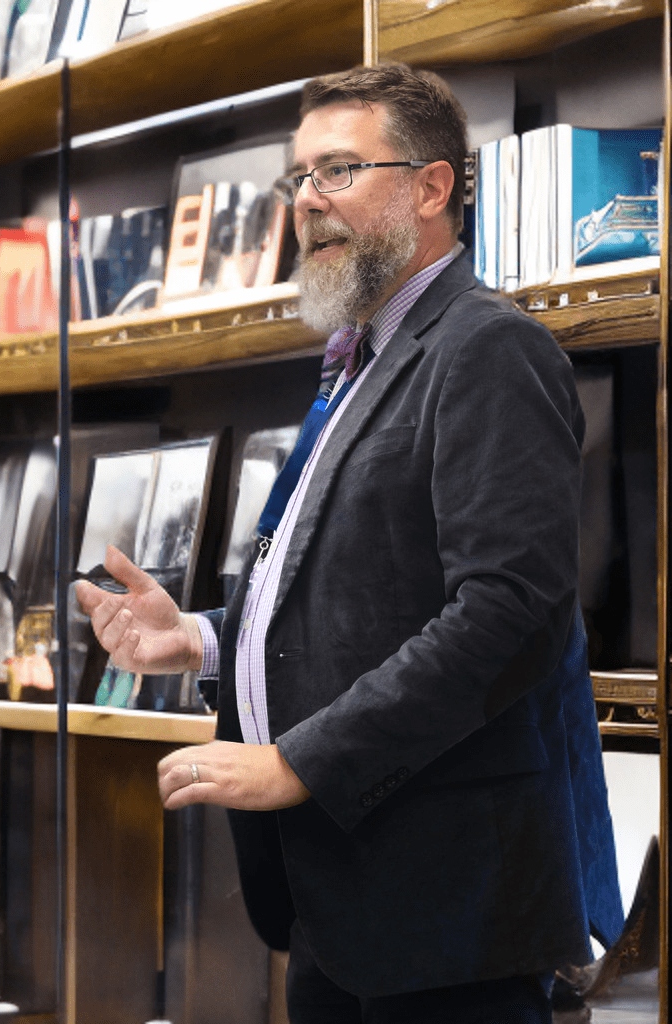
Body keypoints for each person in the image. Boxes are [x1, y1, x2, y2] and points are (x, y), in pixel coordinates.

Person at [76, 63, 624, 1024]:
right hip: (343, 894)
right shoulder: (359, 357)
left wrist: (302, 759)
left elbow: (508, 615)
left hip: (448, 912)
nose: (306, 203)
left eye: (336, 172)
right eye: (298, 179)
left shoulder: (486, 347)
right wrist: (198, 639)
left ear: (429, 187)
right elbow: (352, 589)